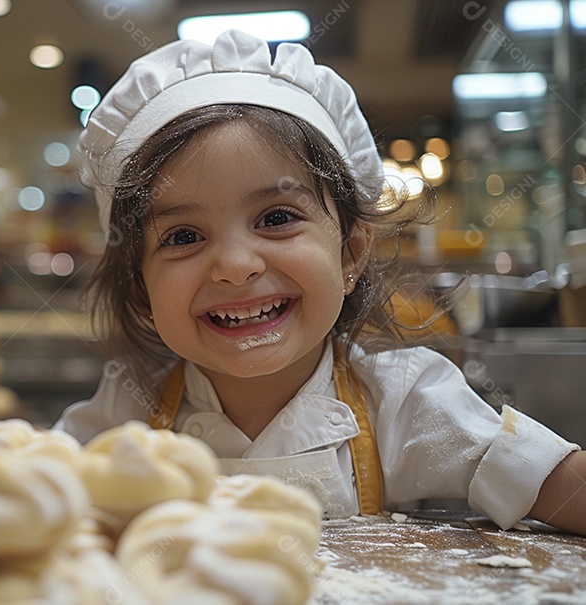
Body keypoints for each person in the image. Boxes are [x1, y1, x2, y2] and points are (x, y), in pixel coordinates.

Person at [54, 29, 585, 534]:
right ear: (141, 291)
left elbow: (552, 481)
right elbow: (41, 489)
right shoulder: (129, 407)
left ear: (350, 254)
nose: (235, 265)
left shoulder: (404, 400)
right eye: (184, 236)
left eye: (276, 218)